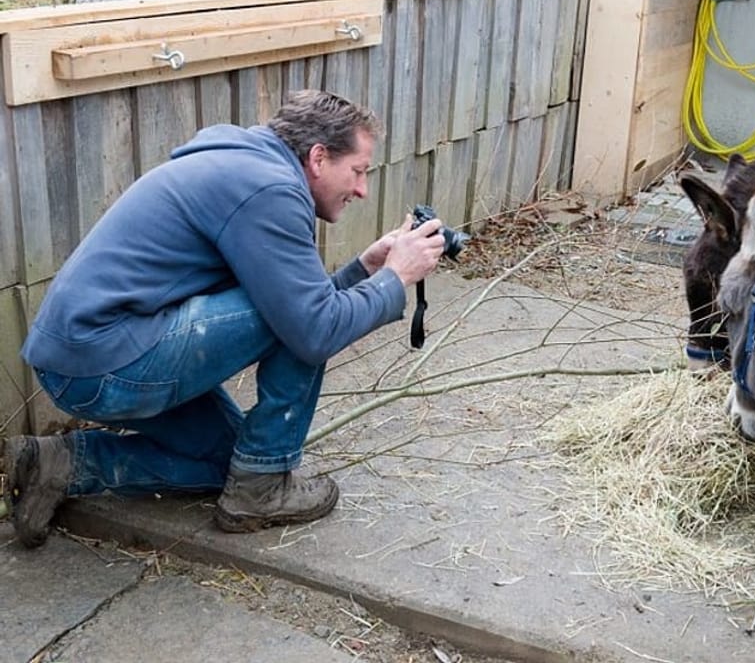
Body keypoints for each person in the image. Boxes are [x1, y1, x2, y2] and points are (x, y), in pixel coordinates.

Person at [2, 90, 446, 548]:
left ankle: (60, 465)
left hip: (85, 360)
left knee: (231, 464)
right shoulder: (269, 189)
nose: (362, 189)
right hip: (105, 365)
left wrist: (365, 271)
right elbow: (313, 329)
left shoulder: (249, 168)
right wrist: (395, 278)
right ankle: (264, 487)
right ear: (318, 157)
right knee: (299, 336)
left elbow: (298, 304)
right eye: (358, 171)